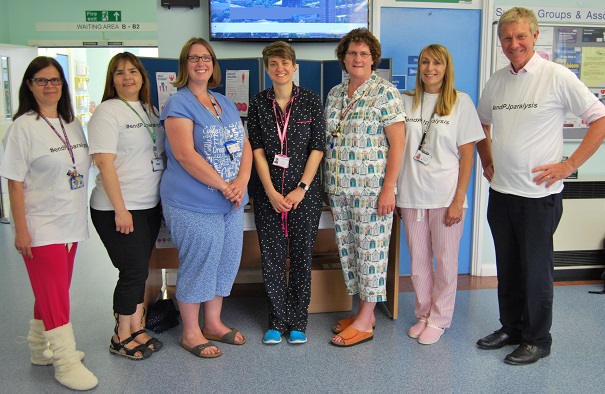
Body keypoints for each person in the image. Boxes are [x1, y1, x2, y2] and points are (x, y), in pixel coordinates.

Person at [476, 7, 605, 365]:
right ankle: (512, 328)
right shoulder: (497, 80)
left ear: (534, 36)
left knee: (535, 271)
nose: (513, 44)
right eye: (507, 38)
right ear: (500, 42)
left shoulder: (556, 76)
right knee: (509, 266)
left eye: (520, 36)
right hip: (502, 193)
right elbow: (481, 123)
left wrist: (569, 165)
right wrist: (487, 159)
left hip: (538, 197)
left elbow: (600, 120)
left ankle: (538, 339)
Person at [0, 56, 97, 390]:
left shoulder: (71, 122)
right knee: (57, 296)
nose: (50, 86)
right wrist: (20, 229)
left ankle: (39, 348)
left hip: (70, 221)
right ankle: (65, 361)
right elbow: (13, 182)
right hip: (41, 225)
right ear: (29, 85)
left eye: (55, 80)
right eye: (42, 80)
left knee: (51, 291)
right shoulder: (23, 127)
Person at [160, 38, 252, 358]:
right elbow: (185, 155)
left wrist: (241, 180)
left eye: (207, 58)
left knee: (224, 264)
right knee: (199, 264)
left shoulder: (224, 102)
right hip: (193, 202)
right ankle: (190, 332)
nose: (201, 63)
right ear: (184, 65)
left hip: (230, 202)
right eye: (194, 58)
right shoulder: (178, 104)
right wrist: (224, 185)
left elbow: (245, 145)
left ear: (213, 64)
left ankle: (213, 323)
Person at [396, 44, 484, 345]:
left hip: (446, 197)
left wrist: (459, 199)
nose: (430, 68)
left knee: (446, 262)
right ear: (418, 67)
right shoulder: (404, 101)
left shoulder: (461, 102)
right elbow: (395, 148)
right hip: (410, 195)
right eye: (424, 62)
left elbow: (468, 156)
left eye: (437, 63)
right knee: (418, 263)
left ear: (447, 68)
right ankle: (423, 314)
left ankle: (440, 318)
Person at [324, 28, 406, 347]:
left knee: (371, 254)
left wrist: (389, 189)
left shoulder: (384, 92)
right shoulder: (335, 93)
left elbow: (397, 144)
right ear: (343, 58)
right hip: (340, 190)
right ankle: (365, 313)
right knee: (350, 253)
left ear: (373, 59)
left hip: (372, 191)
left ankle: (365, 321)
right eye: (352, 53)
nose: (357, 59)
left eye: (364, 54)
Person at [88, 52, 165, 360]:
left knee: (140, 270)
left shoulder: (150, 109)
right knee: (131, 271)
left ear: (142, 77)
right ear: (112, 80)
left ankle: (136, 328)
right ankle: (120, 336)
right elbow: (104, 164)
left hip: (148, 205)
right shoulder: (107, 111)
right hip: (118, 207)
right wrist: (120, 209)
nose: (127, 77)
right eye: (119, 73)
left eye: (133, 71)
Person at [247, 42, 325, 345]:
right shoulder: (258, 103)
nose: (280, 68)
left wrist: (301, 189)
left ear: (295, 67)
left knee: (302, 256)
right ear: (267, 69)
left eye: (285, 63)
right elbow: (257, 150)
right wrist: (268, 190)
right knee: (273, 258)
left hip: (303, 194)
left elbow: (317, 148)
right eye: (273, 63)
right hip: (269, 195)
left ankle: (298, 322)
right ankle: (276, 321)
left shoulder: (309, 100)